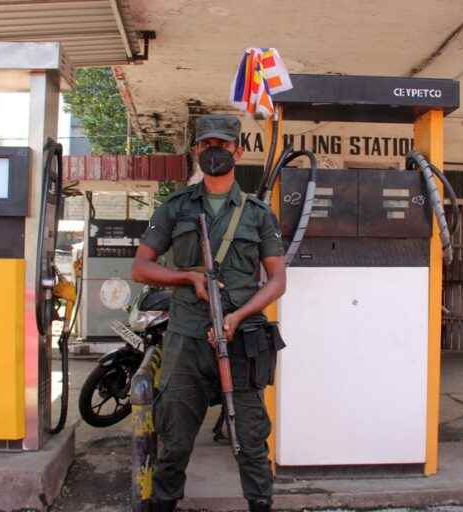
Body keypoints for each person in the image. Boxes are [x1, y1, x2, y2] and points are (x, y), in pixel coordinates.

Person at [132, 114, 286, 512]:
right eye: (206, 145)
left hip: (242, 337)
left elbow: (276, 281)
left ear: (238, 150)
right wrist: (187, 278)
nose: (214, 151)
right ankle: (164, 503)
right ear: (196, 150)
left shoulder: (257, 214)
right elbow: (141, 267)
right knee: (175, 437)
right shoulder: (176, 208)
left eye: (222, 144)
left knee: (251, 438)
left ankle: (260, 503)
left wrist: (238, 316)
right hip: (187, 338)